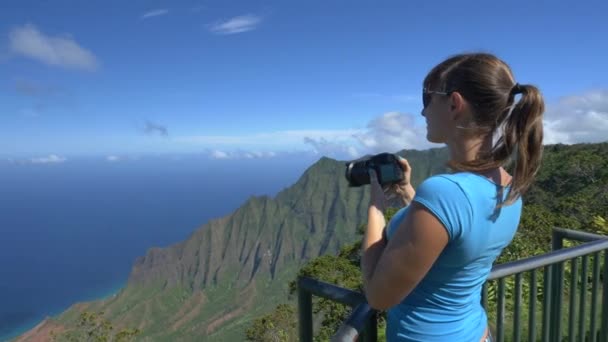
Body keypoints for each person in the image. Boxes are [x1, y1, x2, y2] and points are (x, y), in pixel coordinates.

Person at [360, 52, 545, 341]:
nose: (422, 113)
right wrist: (410, 193)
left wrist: (375, 207)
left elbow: (378, 297)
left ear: (454, 103)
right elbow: (451, 240)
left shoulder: (445, 193)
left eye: (427, 99)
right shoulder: (510, 190)